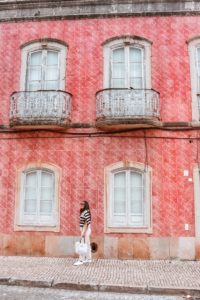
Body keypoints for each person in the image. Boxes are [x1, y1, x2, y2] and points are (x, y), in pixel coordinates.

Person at [74, 200, 92, 266]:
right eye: (80, 203)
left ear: (86, 205)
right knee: (87, 244)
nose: (81, 205)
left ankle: (81, 260)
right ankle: (88, 259)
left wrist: (83, 233)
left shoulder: (85, 212)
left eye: (82, 204)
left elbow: (86, 223)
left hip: (85, 230)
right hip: (86, 230)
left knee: (82, 245)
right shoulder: (85, 212)